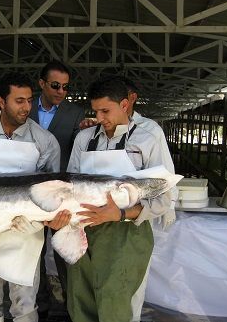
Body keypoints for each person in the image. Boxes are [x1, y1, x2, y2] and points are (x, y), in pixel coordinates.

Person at [0, 72, 70, 322]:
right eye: (19, 101)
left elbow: (54, 193)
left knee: (24, 306)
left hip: (26, 232)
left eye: (29, 100)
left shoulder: (45, 141)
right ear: (1, 102)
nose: (26, 107)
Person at [66, 77, 173, 322]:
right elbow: (70, 185)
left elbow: (164, 195)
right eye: (95, 111)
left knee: (119, 304)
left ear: (125, 104)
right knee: (81, 299)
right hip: (85, 230)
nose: (100, 118)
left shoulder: (149, 136)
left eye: (106, 110)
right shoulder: (85, 139)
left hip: (126, 234)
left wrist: (121, 213)